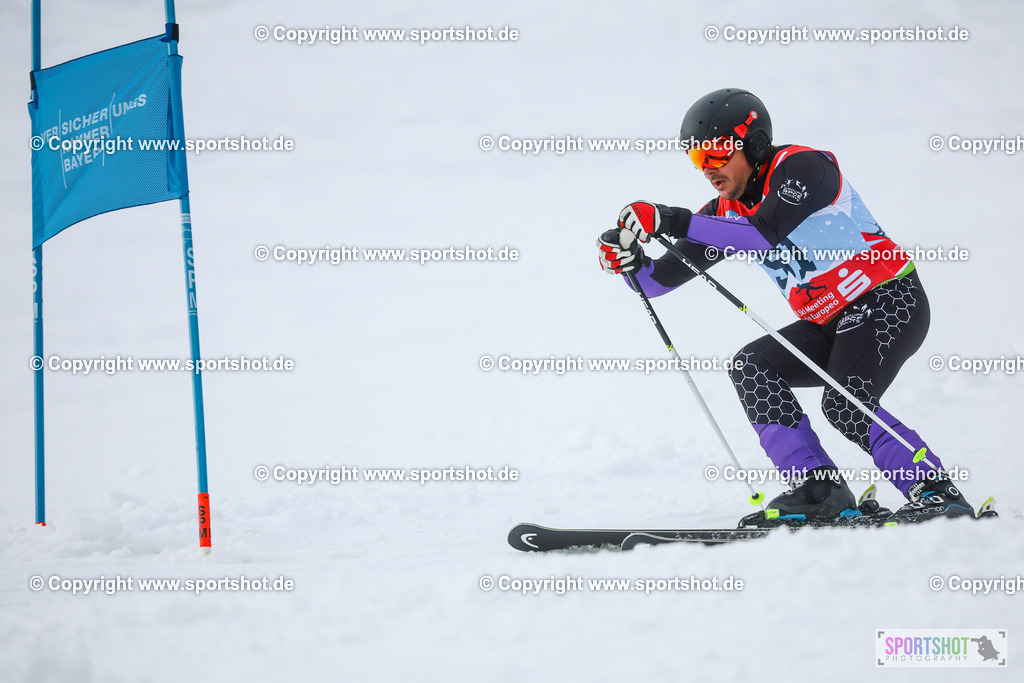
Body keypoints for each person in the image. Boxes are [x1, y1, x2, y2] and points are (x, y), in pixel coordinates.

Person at [597, 87, 979, 526]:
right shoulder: (724, 210)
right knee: (753, 367)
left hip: (888, 299)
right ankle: (818, 490)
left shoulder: (801, 167)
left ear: (754, 143)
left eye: (718, 152)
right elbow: (657, 281)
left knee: (845, 402)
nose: (708, 168)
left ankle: (934, 491)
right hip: (828, 320)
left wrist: (671, 218)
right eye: (696, 158)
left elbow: (763, 232)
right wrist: (629, 262)